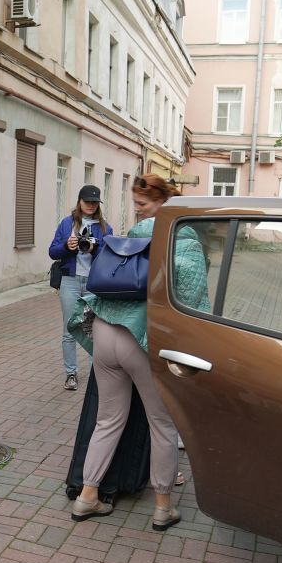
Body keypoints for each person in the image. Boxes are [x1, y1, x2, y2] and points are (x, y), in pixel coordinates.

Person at [66, 174, 210, 531]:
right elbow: (192, 296)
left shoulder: (133, 236)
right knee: (161, 424)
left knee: (107, 419)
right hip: (140, 338)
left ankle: (88, 496)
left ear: (163, 201)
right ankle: (162, 506)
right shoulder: (184, 236)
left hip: (104, 330)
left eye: (144, 205)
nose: (140, 212)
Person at [48, 184, 113, 391]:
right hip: (70, 281)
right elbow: (52, 252)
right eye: (87, 201)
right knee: (69, 329)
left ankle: (97, 374)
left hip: (93, 283)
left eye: (95, 202)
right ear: (79, 201)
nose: (91, 205)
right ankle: (71, 374)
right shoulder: (67, 224)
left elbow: (109, 258)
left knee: (96, 330)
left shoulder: (105, 228)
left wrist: (94, 249)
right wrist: (67, 247)